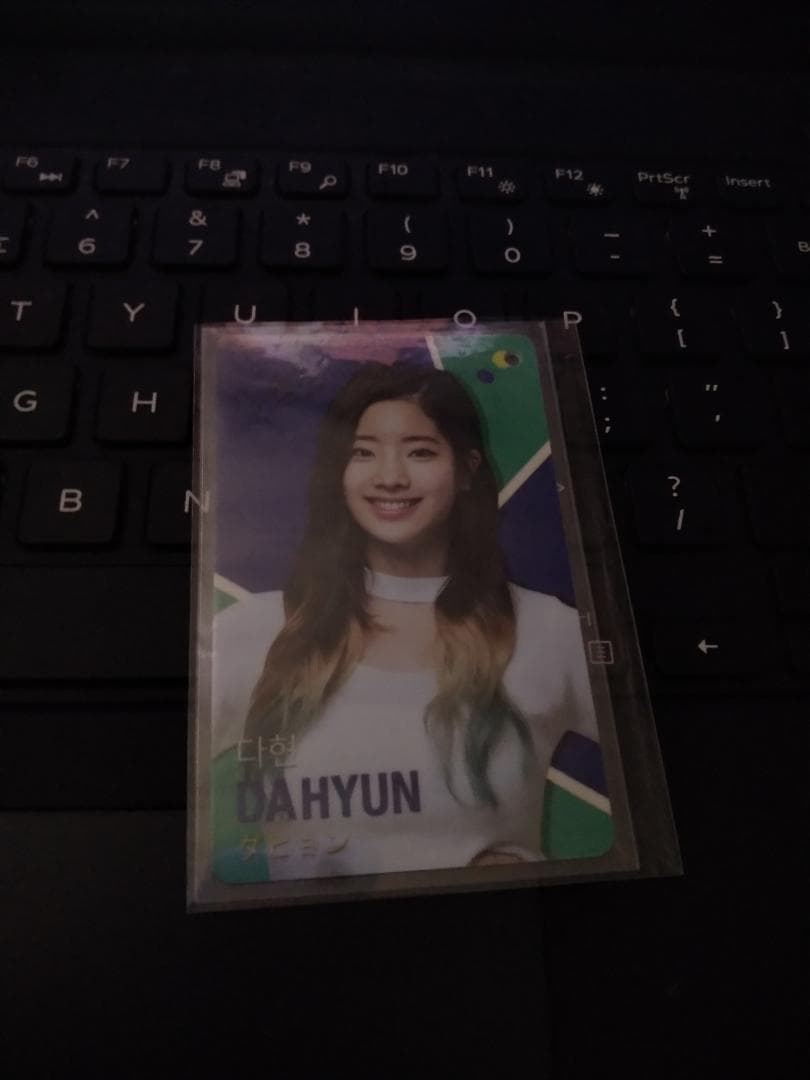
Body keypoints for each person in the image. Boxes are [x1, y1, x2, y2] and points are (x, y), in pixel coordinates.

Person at [211, 361, 600, 882]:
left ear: (467, 469)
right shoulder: (255, 630)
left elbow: (651, 783)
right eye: (363, 452)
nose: (390, 477)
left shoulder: (546, 630)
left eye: (420, 452)